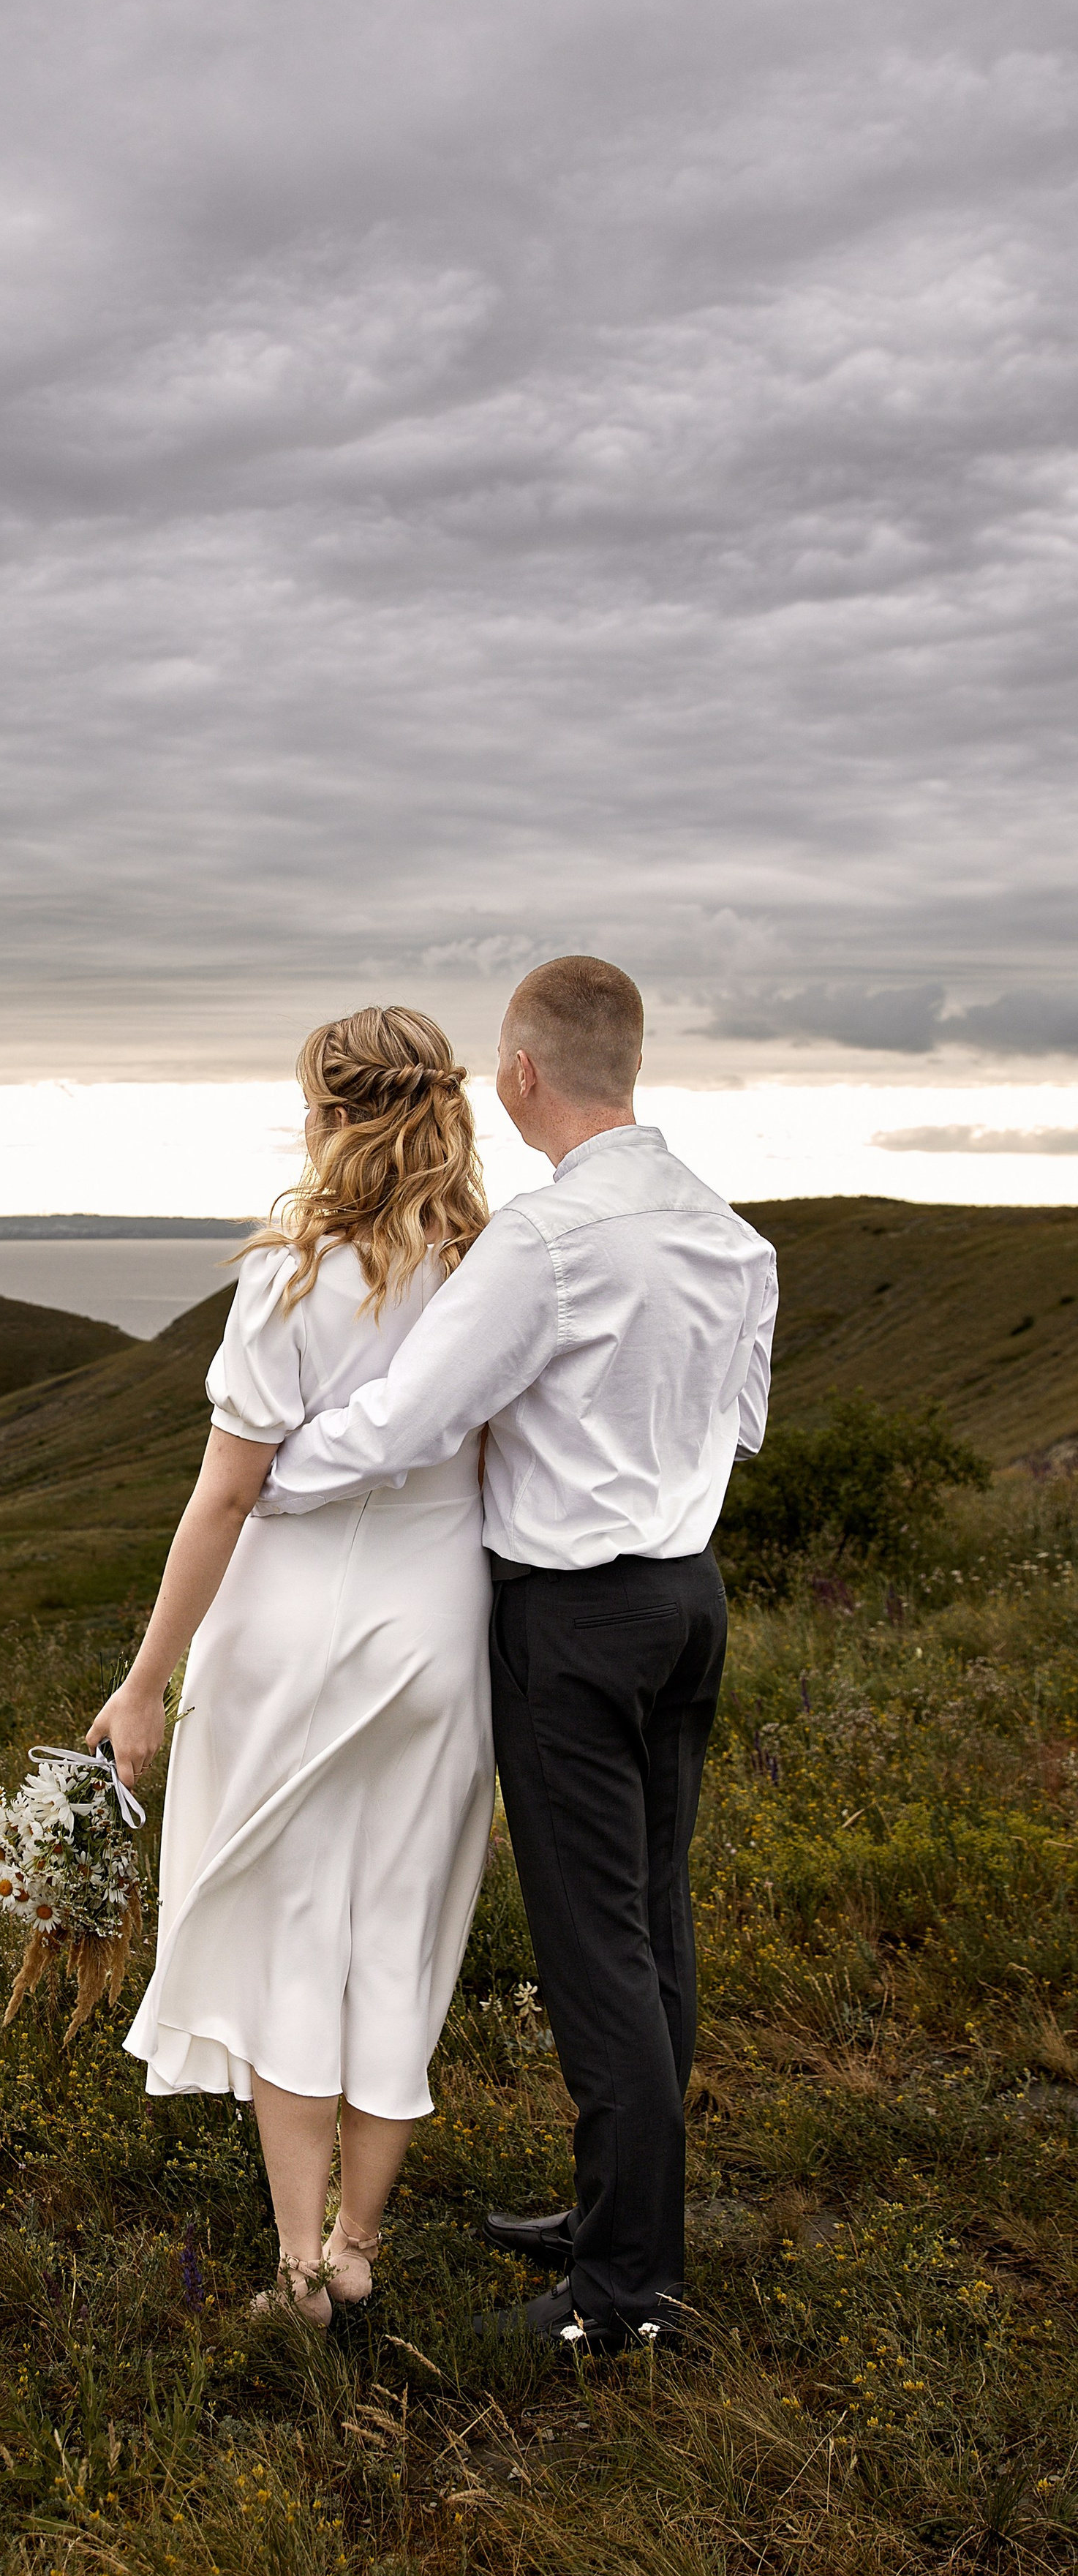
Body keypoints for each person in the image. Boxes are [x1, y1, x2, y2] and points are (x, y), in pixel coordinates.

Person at [257, 956, 778, 2354]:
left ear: (524, 1074)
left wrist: (264, 1475)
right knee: (655, 1921)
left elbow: (410, 1423)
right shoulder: (733, 1238)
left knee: (594, 1946)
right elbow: (741, 1431)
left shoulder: (543, 1244)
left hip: (575, 1619)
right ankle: (627, 2222)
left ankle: (620, 2301)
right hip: (688, 1599)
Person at [86, 1005, 497, 2324]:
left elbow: (224, 1498)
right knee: (396, 1932)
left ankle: (295, 2267)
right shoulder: (492, 1265)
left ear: (325, 1111)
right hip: (439, 1630)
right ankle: (359, 2245)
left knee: (285, 1936)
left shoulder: (292, 1272)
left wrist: (144, 1683)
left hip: (290, 1636)